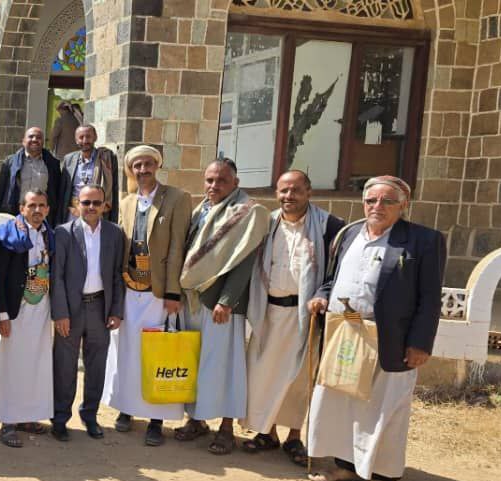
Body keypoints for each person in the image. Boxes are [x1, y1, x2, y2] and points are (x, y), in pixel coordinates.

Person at [306, 176, 446, 481]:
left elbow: (430, 298)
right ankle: (347, 466)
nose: (377, 207)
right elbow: (332, 278)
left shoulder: (423, 240)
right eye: (371, 200)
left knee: (386, 408)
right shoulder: (349, 234)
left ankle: (384, 478)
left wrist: (420, 343)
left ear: (403, 205)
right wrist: (322, 296)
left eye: (387, 201)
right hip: (346, 333)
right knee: (344, 402)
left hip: (391, 339)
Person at [241, 170, 345, 464]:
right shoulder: (268, 223)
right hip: (269, 313)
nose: (289, 196)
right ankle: (267, 433)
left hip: (305, 316)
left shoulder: (329, 226)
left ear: (309, 192)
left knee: (299, 379)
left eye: (296, 190)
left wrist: (322, 296)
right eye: (284, 190)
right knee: (263, 375)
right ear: (277, 193)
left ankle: (294, 437)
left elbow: (336, 271)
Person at [175, 158, 270, 455]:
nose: (214, 185)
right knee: (196, 363)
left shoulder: (247, 212)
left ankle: (226, 428)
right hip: (193, 299)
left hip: (220, 305)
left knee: (225, 366)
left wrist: (227, 301)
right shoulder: (201, 209)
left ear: (236, 183)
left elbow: (244, 261)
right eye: (210, 180)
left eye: (222, 181)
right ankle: (197, 420)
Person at [103, 145, 192, 446]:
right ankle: (127, 409)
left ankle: (156, 419)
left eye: (148, 164)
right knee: (128, 352)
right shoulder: (127, 202)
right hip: (131, 289)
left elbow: (177, 247)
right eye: (137, 165)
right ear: (131, 170)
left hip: (159, 292)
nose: (143, 170)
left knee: (156, 354)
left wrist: (172, 292)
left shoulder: (177, 198)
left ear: (157, 165)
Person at [50, 184, 125, 441]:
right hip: (71, 309)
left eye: (96, 203)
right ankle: (60, 418)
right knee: (64, 365)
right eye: (86, 202)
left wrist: (116, 310)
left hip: (100, 308)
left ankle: (90, 415)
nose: (91, 207)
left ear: (105, 206)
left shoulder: (115, 233)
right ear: (77, 205)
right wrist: (60, 313)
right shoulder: (63, 233)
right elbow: (57, 277)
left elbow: (117, 275)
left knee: (96, 365)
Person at [0, 189, 55, 447]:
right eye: (32, 205)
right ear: (21, 208)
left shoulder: (50, 235)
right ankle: (7, 421)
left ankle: (27, 416)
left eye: (41, 205)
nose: (37, 210)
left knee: (36, 364)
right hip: (15, 312)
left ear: (47, 209)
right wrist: (2, 314)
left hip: (41, 309)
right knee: (10, 364)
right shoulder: (8, 235)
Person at [0, 127, 63, 225]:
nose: (34, 139)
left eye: (38, 137)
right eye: (31, 136)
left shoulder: (53, 164)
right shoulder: (10, 162)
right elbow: (0, 190)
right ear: (23, 141)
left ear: (43, 142)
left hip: (41, 216)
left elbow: (57, 193)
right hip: (15, 214)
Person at [57, 124, 119, 223]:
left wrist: (113, 220)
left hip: (97, 213)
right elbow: (63, 192)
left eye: (88, 136)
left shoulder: (106, 159)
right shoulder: (69, 159)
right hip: (73, 214)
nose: (85, 140)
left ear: (95, 137)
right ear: (76, 140)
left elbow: (114, 190)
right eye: (81, 137)